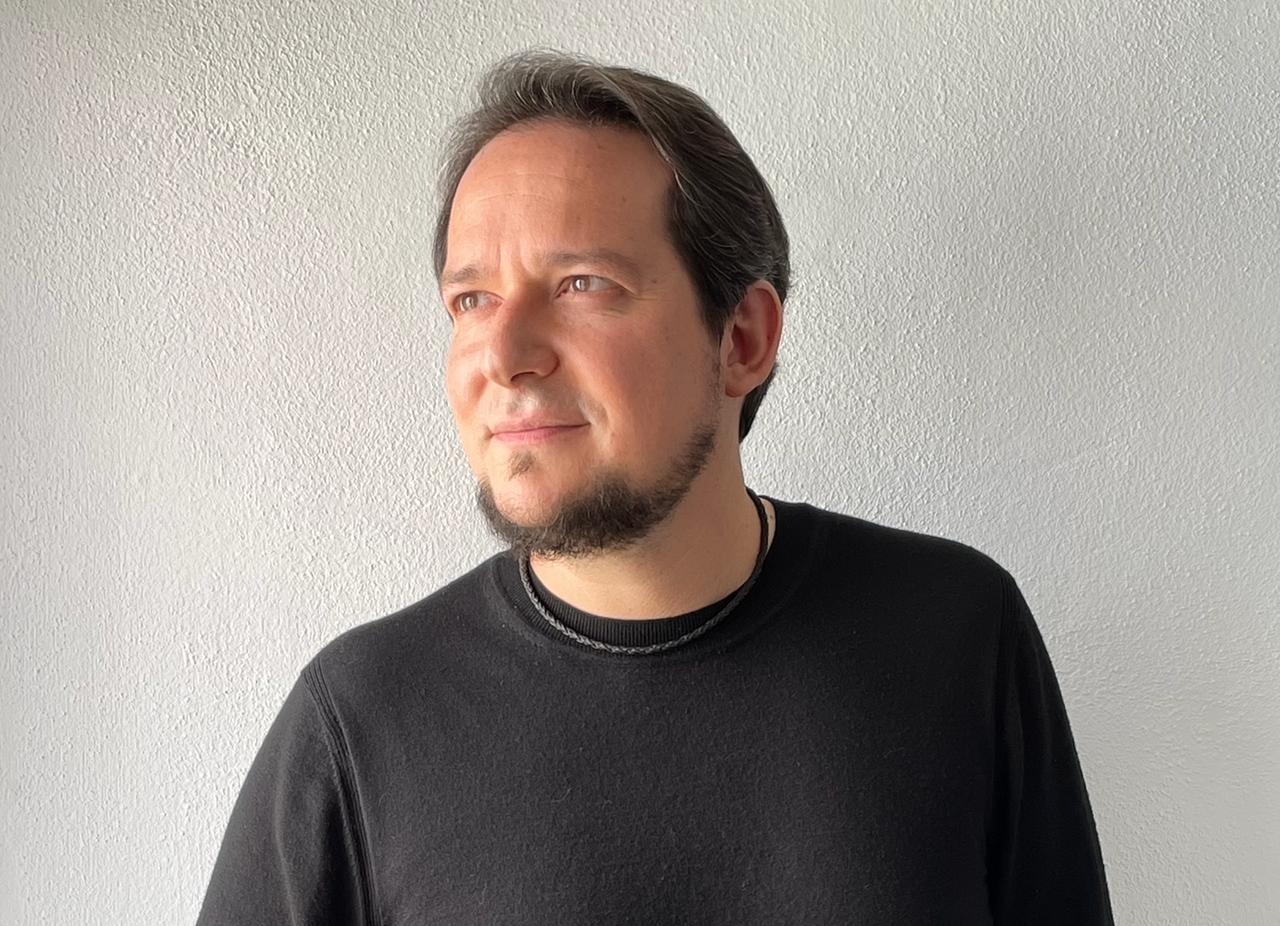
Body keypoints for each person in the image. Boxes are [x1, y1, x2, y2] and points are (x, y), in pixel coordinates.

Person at [196, 50, 1114, 924]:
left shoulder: (956, 632)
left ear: (743, 339)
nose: (504, 356)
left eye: (582, 284)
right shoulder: (362, 721)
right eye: (471, 300)